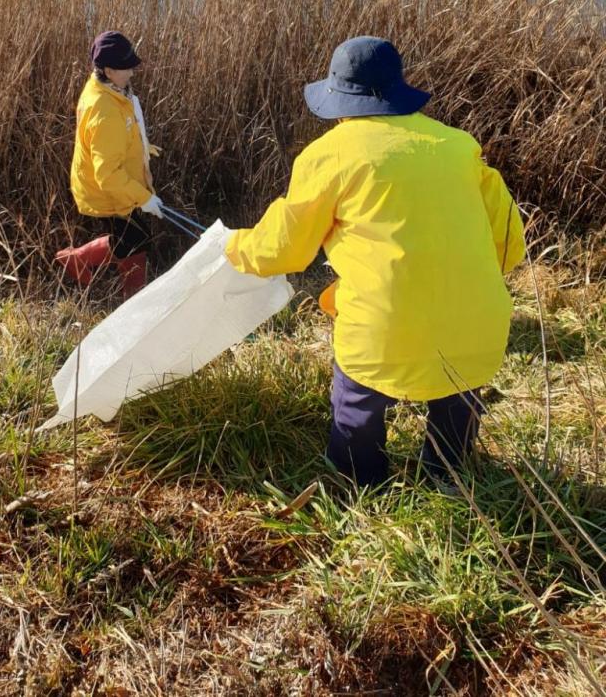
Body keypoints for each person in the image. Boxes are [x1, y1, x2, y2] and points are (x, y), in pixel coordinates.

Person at [225, 36, 526, 489]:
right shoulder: (460, 147)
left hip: (384, 329)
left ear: (340, 102)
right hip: (479, 324)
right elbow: (510, 243)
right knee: (457, 394)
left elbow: (283, 250)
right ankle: (450, 480)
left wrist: (234, 247)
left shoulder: (330, 155)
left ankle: (359, 487)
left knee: (357, 403)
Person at [55, 31, 164, 300]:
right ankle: (130, 300)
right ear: (108, 69)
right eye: (126, 68)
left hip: (116, 181)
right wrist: (145, 199)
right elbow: (108, 174)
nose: (132, 73)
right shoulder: (105, 110)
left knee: (134, 241)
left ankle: (130, 296)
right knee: (135, 240)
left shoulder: (106, 88)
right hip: (108, 188)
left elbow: (111, 142)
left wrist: (140, 148)